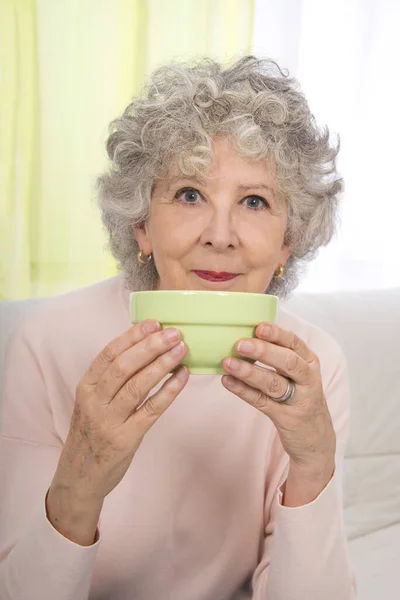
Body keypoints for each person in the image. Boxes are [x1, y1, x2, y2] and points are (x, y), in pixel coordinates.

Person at [0, 56, 358, 599]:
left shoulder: (313, 365)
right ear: (141, 225)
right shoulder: (46, 342)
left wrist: (315, 466)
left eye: (255, 201)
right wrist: (81, 477)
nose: (220, 234)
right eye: (190, 195)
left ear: (289, 241)